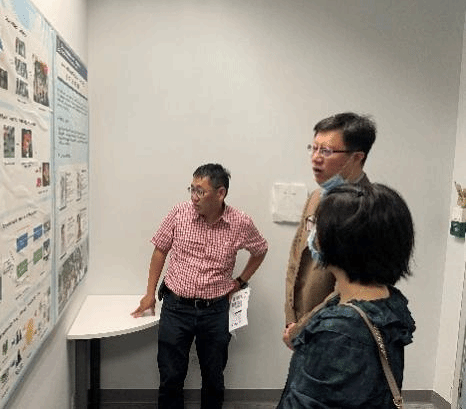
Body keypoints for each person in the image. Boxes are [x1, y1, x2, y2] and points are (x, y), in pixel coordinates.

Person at [131, 163, 268, 409]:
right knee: (171, 377)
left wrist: (240, 281)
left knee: (213, 377)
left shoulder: (240, 222)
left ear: (220, 193)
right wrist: (149, 293)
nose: (194, 197)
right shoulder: (179, 213)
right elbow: (160, 250)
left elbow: (260, 249)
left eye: (200, 191)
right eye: (191, 189)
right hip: (176, 308)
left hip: (215, 312)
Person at [277, 183, 416, 408]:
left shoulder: (337, 332)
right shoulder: (390, 302)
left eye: (316, 226)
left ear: (339, 243)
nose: (312, 234)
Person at [283, 112, 377, 347]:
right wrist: (291, 318)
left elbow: (349, 287)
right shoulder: (317, 196)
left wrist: (303, 327)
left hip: (338, 330)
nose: (315, 158)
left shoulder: (368, 208)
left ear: (357, 157)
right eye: (313, 148)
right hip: (302, 326)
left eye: (326, 151)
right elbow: (296, 256)